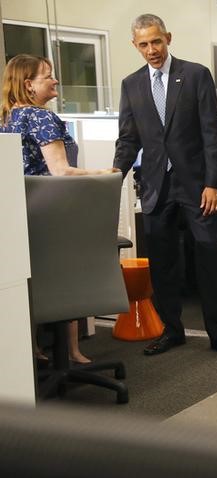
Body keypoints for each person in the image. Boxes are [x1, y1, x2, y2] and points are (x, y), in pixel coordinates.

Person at [113, 14, 217, 358]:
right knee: (163, 264)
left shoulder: (196, 75)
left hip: (196, 186)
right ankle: (172, 330)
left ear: (168, 38)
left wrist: (213, 183)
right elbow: (129, 139)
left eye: (156, 41)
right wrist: (115, 174)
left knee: (207, 260)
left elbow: (210, 135)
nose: (151, 50)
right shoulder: (131, 85)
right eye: (143, 44)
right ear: (135, 46)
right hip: (156, 187)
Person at [1, 53, 118, 365]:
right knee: (69, 277)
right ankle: (72, 352)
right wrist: (105, 173)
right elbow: (61, 171)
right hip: (55, 216)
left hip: (23, 218)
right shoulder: (40, 117)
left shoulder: (7, 117)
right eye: (47, 75)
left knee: (37, 284)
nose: (55, 80)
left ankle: (36, 351)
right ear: (29, 84)